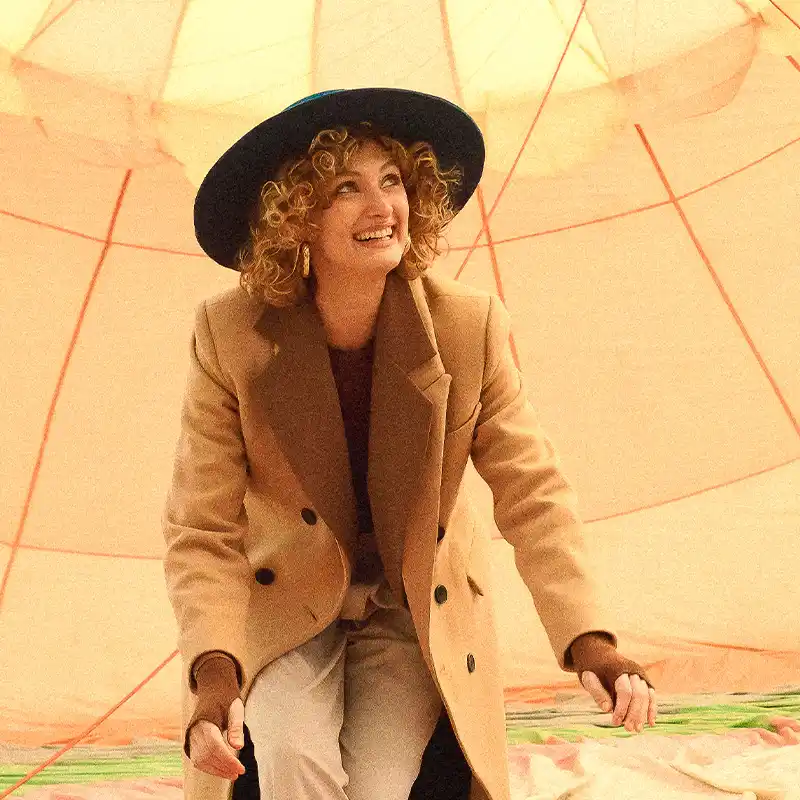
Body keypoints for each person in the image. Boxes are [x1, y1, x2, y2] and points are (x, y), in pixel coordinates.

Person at [162, 88, 657, 800]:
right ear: (296, 216)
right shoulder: (229, 334)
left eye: (392, 181)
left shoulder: (469, 327)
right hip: (286, 604)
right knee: (293, 760)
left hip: (411, 608)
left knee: (379, 784)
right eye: (346, 188)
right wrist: (213, 673)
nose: (380, 206)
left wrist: (592, 644)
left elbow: (533, 493)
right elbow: (200, 528)